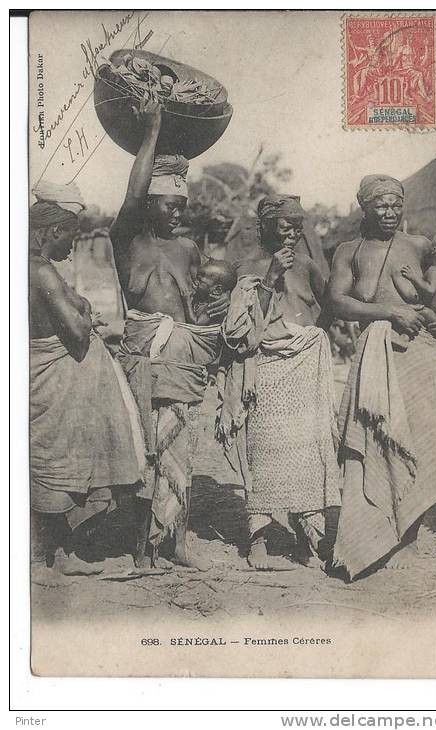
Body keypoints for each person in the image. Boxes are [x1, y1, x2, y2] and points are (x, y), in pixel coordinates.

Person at [110, 96, 229, 570]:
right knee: (143, 448)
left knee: (180, 448)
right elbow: (131, 198)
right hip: (141, 355)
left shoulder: (188, 249)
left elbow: (197, 305)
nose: (177, 212)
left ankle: (176, 542)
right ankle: (140, 548)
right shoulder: (128, 242)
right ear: (151, 204)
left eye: (182, 204)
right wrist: (151, 133)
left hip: (180, 355)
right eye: (169, 204)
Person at [326, 174, 436, 580]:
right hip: (374, 353)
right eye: (381, 205)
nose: (389, 212)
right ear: (365, 207)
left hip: (417, 355)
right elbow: (336, 301)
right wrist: (389, 312)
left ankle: (410, 536)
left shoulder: (419, 247)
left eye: (395, 205)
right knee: (371, 439)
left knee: (415, 441)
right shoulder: (350, 251)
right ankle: (367, 535)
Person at [216, 194, 341, 571]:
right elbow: (240, 331)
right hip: (264, 366)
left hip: (304, 365)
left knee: (306, 450)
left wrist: (310, 337)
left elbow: (331, 304)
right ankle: (257, 541)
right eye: (285, 225)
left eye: (297, 226)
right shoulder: (245, 268)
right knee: (263, 447)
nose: (292, 233)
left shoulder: (307, 265)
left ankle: (306, 539)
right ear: (264, 226)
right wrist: (269, 279)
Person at [30, 181, 145, 575]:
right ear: (52, 232)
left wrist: (77, 306)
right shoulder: (41, 272)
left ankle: (55, 551)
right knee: (58, 459)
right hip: (52, 377)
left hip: (45, 378)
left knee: (51, 458)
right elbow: (77, 336)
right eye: (70, 238)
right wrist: (83, 315)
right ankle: (57, 553)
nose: (72, 247)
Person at [190, 258, 237, 324]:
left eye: (200, 281)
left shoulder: (213, 305)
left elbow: (197, 322)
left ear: (217, 290)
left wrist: (186, 301)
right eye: (197, 277)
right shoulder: (202, 298)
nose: (195, 282)